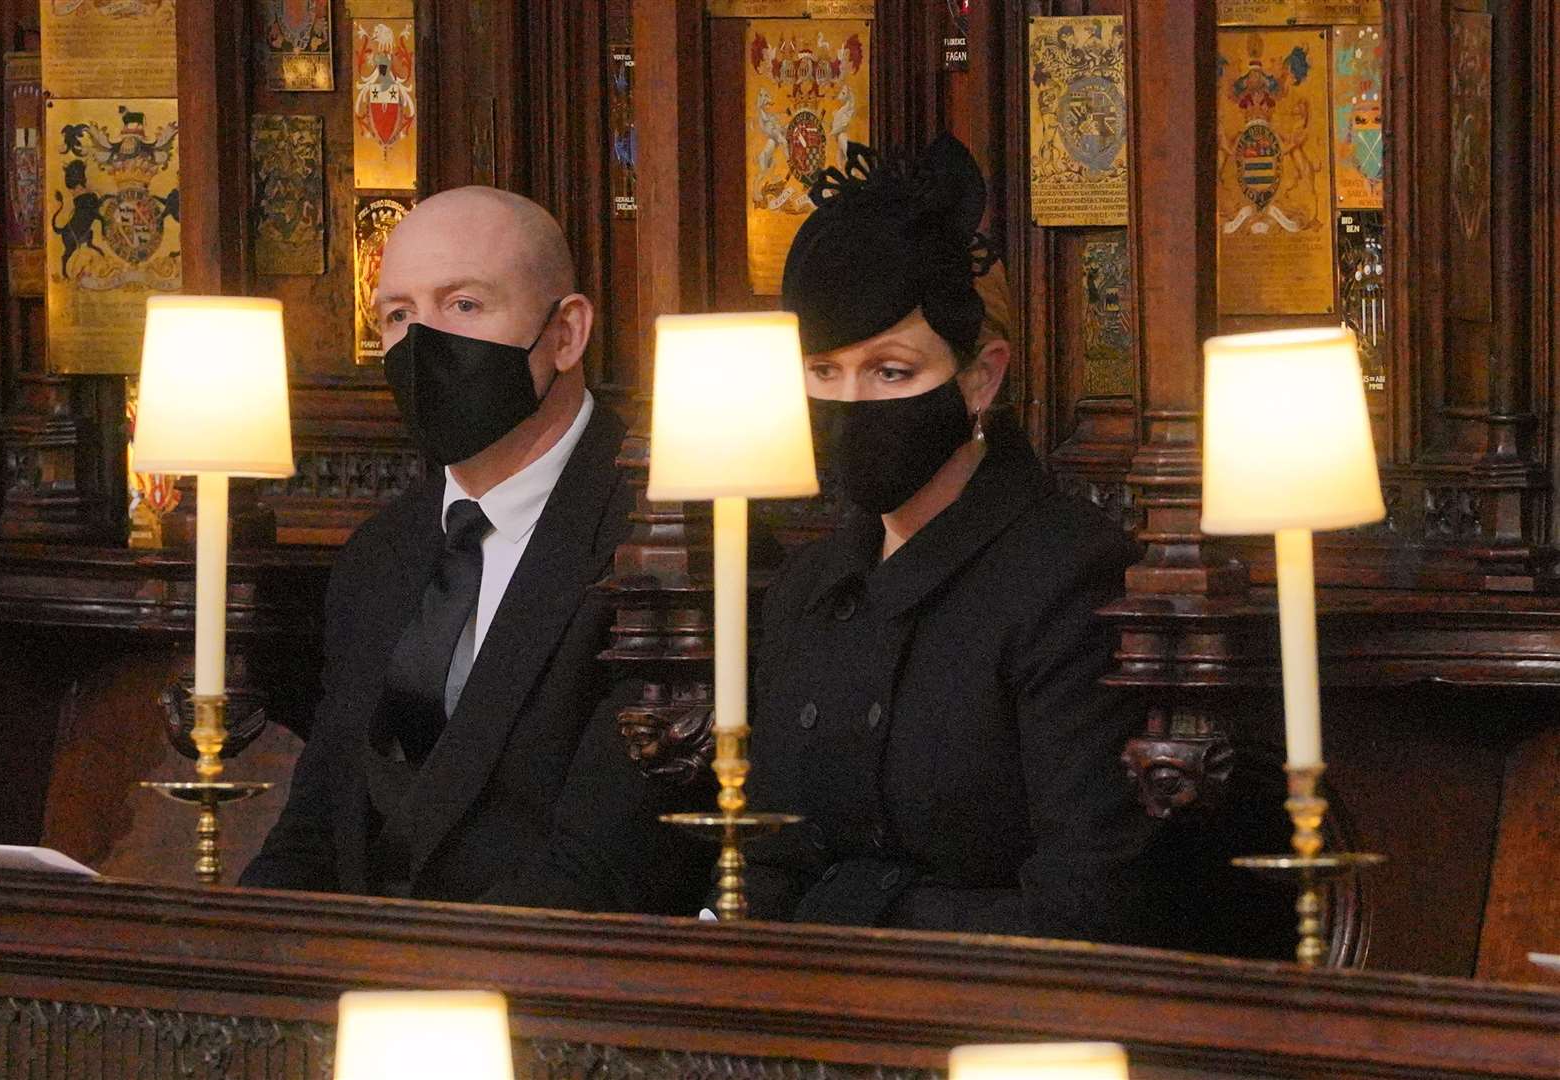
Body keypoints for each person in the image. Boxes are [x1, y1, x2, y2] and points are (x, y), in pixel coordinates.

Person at [242, 186, 706, 913]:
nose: (424, 344)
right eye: (399, 316)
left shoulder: (662, 544)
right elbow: (319, 826)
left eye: (463, 305)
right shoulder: (379, 554)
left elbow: (603, 867)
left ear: (566, 333)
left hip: (548, 989)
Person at [742, 136, 1157, 941]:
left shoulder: (1070, 576)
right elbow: (767, 857)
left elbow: (1086, 904)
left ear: (982, 376)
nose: (849, 401)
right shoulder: (810, 585)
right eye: (823, 372)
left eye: (891, 371)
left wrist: (851, 909)